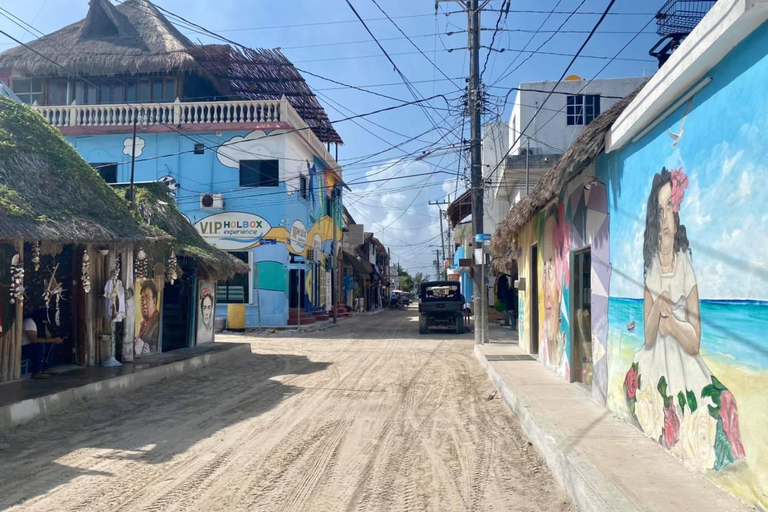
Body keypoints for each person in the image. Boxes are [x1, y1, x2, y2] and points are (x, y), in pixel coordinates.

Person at [624, 167, 745, 470]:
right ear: (654, 218)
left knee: (718, 404)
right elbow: (649, 337)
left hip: (685, 364)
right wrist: (658, 307)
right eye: (660, 209)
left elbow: (694, 343)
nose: (666, 217)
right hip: (656, 361)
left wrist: (674, 325)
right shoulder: (651, 267)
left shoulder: (685, 266)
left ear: (678, 214)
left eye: (671, 207)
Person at [21, 309, 64, 380]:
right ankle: (36, 372)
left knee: (51, 345)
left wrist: (45, 327)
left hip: (34, 345)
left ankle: (47, 368)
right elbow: (34, 340)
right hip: (25, 347)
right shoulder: (30, 322)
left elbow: (48, 337)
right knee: (40, 347)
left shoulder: (40, 324)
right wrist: (53, 340)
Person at [135, 280, 160, 355]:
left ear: (154, 302)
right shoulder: (144, 323)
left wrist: (149, 352)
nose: (144, 303)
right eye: (142, 299)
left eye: (147, 298)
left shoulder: (158, 322)